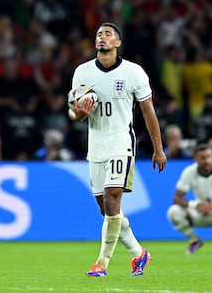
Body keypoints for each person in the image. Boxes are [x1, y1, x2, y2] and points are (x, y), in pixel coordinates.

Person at [68, 22, 167, 277]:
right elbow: (73, 112)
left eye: (108, 34)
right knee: (107, 210)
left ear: (118, 43)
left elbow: (148, 111)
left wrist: (159, 149)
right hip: (96, 146)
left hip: (121, 142)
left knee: (113, 199)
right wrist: (79, 113)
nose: (102, 37)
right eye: (99, 34)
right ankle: (138, 253)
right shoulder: (82, 72)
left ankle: (102, 263)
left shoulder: (134, 73)